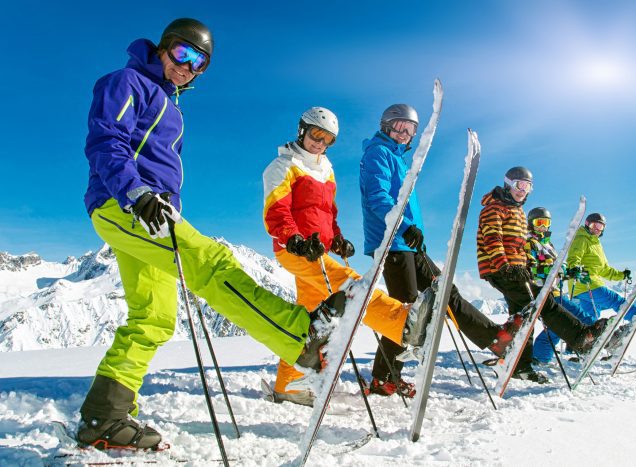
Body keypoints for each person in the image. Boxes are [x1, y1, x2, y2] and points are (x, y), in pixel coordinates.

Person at [78, 18, 341, 450]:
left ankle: (104, 417)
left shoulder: (170, 105)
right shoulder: (126, 81)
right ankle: (299, 334)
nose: (189, 67)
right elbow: (107, 140)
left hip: (149, 209)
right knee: (212, 263)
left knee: (154, 319)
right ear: (164, 47)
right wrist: (136, 192)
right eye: (183, 53)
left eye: (200, 63)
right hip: (124, 204)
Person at [262, 107, 431, 406]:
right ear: (302, 130)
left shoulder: (325, 169)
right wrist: (296, 240)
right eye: (316, 134)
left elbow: (328, 212)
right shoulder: (283, 165)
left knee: (307, 320)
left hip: (319, 251)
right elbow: (277, 212)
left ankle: (287, 384)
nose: (320, 142)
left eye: (328, 139)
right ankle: (402, 324)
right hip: (297, 250)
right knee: (353, 288)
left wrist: (337, 239)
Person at [359, 104, 516, 397]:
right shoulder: (378, 154)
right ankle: (383, 378)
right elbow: (377, 199)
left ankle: (496, 339)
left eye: (410, 130)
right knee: (407, 314)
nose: (404, 133)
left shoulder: (398, 158)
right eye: (398, 127)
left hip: (408, 242)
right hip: (392, 243)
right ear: (385, 126)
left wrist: (410, 232)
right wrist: (405, 227)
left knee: (445, 291)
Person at [477, 167, 608, 383]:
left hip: (516, 270)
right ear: (508, 183)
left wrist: (525, 268)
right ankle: (580, 337)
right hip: (502, 269)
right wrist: (504, 266)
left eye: (528, 186)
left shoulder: (517, 211)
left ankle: (519, 363)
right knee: (542, 305)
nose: (523, 190)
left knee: (524, 315)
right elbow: (493, 239)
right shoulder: (495, 208)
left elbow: (518, 249)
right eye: (519, 184)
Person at [567, 213, 636, 347]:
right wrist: (575, 268)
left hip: (584, 287)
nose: (597, 229)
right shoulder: (582, 238)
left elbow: (604, 270)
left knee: (589, 320)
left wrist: (622, 275)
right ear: (587, 225)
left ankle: (580, 346)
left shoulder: (595, 244)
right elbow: (573, 258)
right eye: (594, 225)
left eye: (600, 226)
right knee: (619, 303)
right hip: (587, 283)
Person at [524, 207, 598, 364]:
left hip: (555, 291)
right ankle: (599, 340)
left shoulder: (548, 244)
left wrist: (570, 272)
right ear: (531, 224)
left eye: (546, 222)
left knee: (556, 328)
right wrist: (553, 270)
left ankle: (539, 357)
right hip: (543, 291)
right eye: (539, 222)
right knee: (579, 317)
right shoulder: (529, 243)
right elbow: (530, 269)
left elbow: (558, 267)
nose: (542, 226)